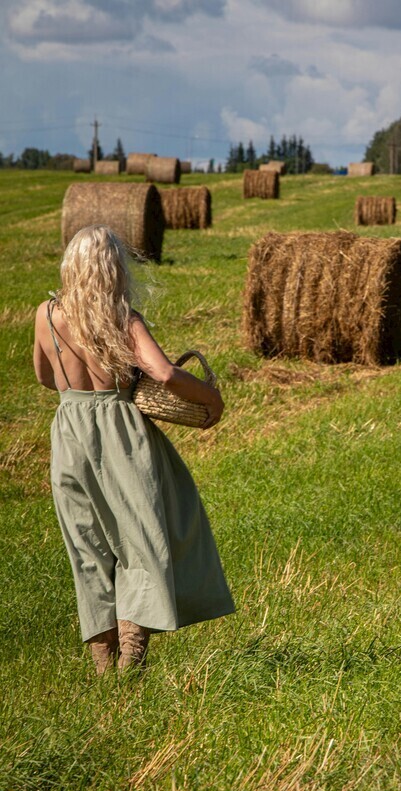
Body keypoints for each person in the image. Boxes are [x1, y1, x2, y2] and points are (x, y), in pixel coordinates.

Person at [33, 225, 235, 673]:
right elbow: (163, 374)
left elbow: (44, 377)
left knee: (87, 546)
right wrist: (209, 397)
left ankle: (105, 667)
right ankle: (131, 659)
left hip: (69, 431)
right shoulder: (123, 319)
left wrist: (76, 388)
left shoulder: (47, 314)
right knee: (140, 540)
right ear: (112, 269)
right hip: (119, 432)